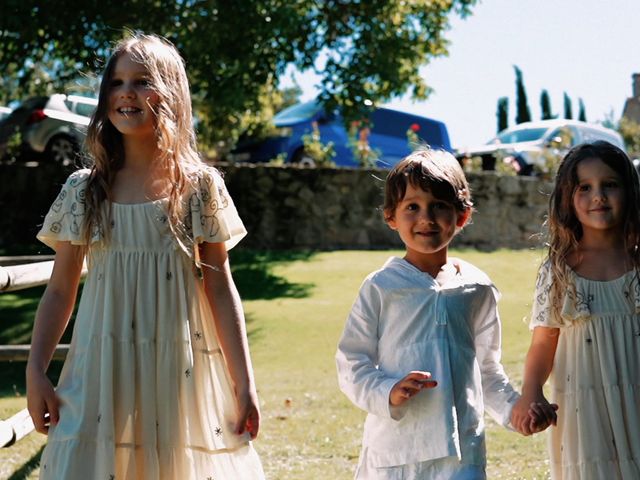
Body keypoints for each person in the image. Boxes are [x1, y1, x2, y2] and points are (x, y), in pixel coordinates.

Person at [25, 33, 265, 479]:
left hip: (177, 366)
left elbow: (220, 286)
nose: (126, 93)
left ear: (171, 94)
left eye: (141, 81)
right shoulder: (84, 189)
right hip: (99, 366)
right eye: (116, 82)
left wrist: (244, 381)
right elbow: (60, 291)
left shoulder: (199, 187)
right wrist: (36, 371)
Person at [335, 149, 551, 479]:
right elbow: (352, 362)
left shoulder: (477, 289)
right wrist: (387, 390)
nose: (426, 217)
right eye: (412, 207)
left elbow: (488, 370)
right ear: (391, 216)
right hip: (397, 453)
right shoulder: (381, 287)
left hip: (462, 454)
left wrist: (514, 411)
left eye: (439, 205)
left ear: (461, 216)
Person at [511, 141, 640, 479]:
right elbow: (542, 344)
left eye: (609, 184)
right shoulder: (560, 271)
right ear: (568, 197)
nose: (598, 195)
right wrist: (531, 393)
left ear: (629, 190)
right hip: (586, 408)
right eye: (585, 187)